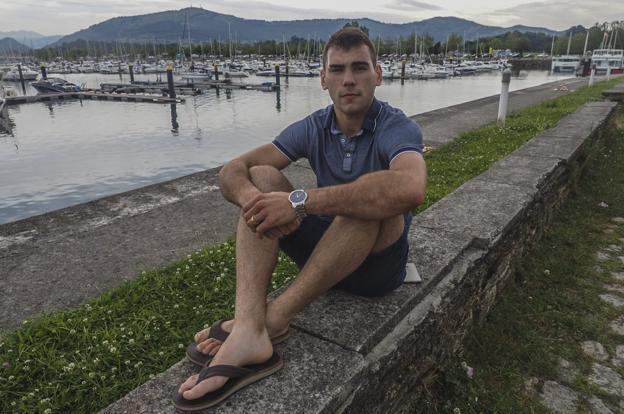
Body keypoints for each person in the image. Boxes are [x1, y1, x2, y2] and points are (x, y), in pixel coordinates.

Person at [174, 27, 427, 411]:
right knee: (260, 178)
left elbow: (411, 188)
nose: (348, 80)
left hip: (376, 269)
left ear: (378, 73)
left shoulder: (396, 126)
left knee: (368, 204)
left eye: (359, 68)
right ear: (323, 78)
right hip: (327, 259)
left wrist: (299, 201)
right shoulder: (315, 125)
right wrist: (255, 199)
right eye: (337, 69)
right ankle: (248, 325)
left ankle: (271, 320)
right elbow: (233, 170)